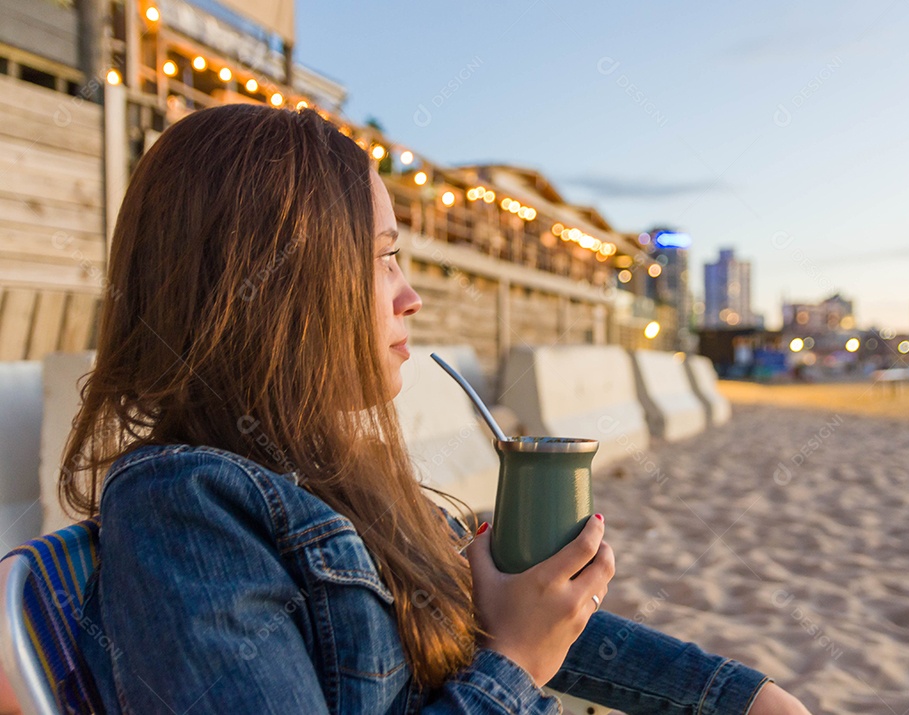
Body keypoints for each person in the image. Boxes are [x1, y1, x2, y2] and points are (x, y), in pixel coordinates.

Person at [59, 103, 811, 714]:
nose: (410, 296)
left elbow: (512, 615)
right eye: (381, 259)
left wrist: (740, 695)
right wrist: (515, 664)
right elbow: (514, 640)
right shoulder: (186, 507)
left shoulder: (332, 477)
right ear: (273, 286)